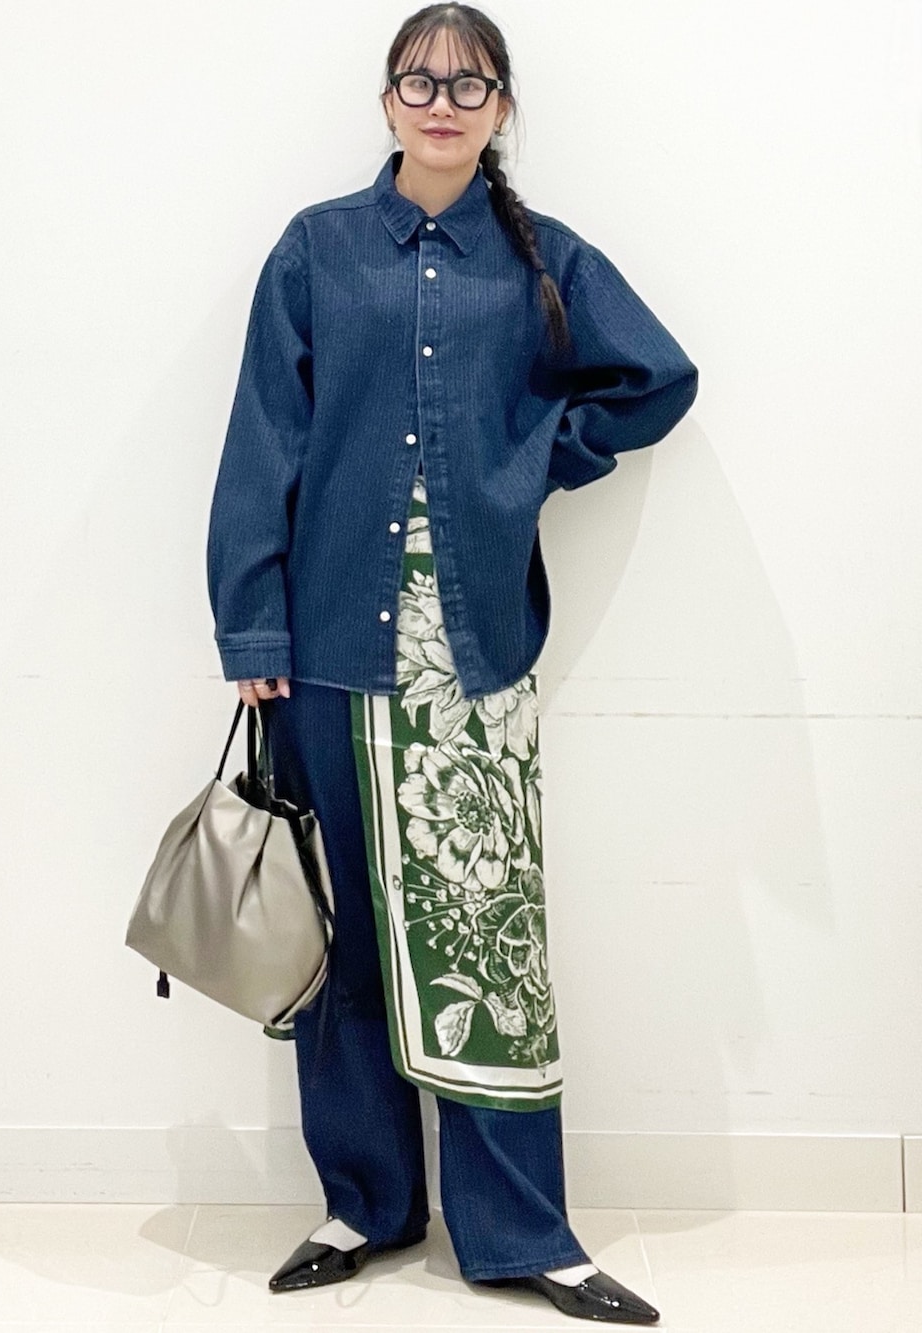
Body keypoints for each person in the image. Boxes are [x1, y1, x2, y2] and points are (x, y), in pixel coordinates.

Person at [205, 3, 697, 1322]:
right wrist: (252, 627)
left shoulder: (546, 259)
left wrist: (534, 463)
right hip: (326, 647)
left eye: (469, 84)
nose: (441, 101)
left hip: (472, 653)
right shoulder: (317, 250)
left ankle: (521, 1230)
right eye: (419, 81)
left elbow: (656, 377)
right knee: (344, 936)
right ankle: (365, 1205)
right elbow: (264, 439)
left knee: (488, 934)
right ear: (388, 102)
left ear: (501, 109)